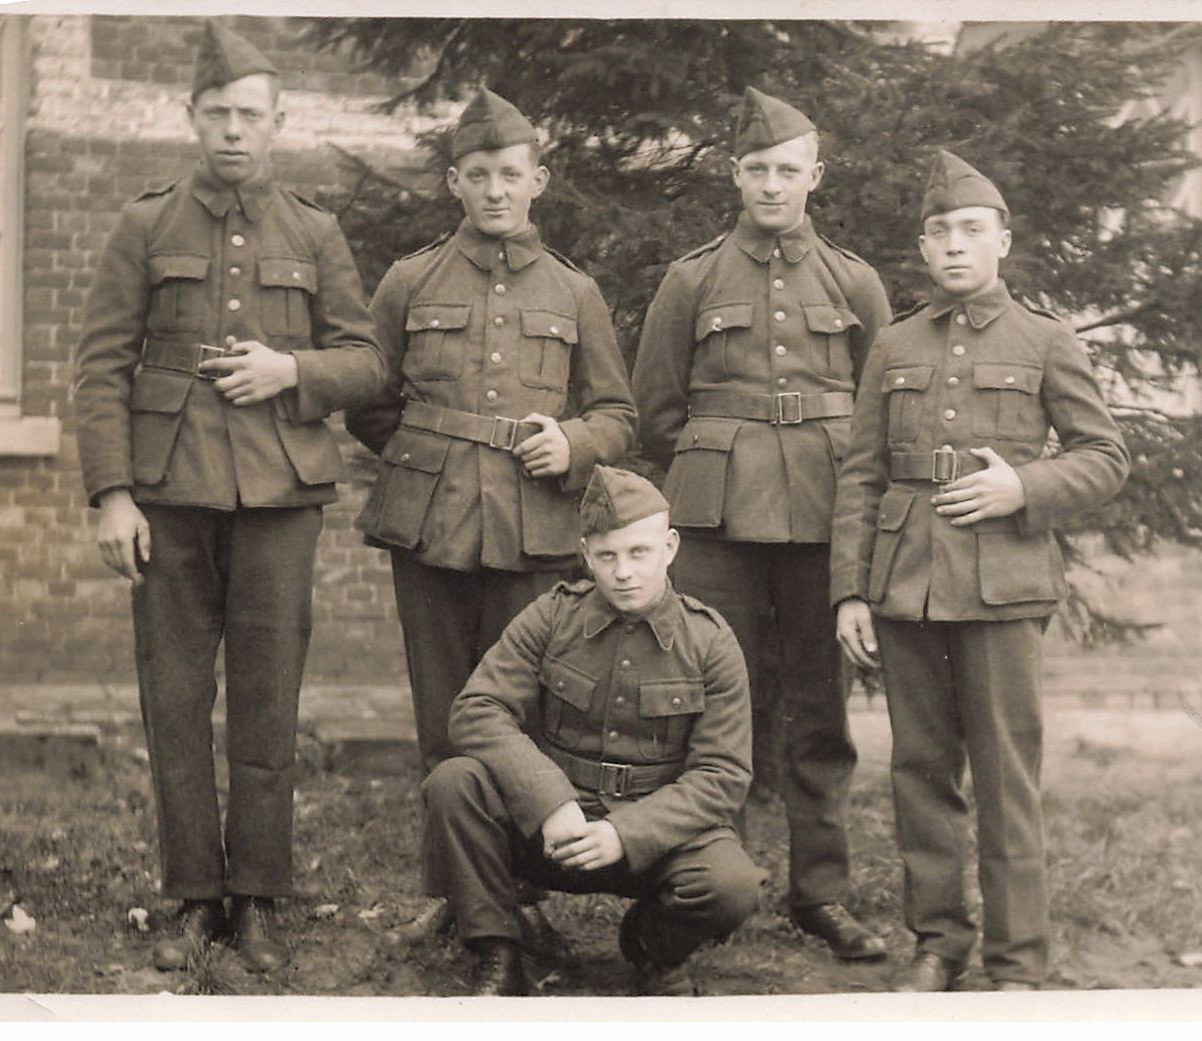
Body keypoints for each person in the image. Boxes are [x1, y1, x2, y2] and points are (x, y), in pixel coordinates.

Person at [72, 20, 387, 974]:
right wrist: (111, 494)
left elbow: (368, 361)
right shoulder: (145, 225)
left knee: (266, 699)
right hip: (168, 494)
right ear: (192, 118)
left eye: (251, 116)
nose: (234, 132)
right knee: (173, 697)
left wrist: (291, 367)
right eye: (217, 115)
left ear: (276, 121)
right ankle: (191, 898)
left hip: (281, 497)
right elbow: (100, 368)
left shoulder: (315, 231)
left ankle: (256, 896)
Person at [831, 150, 1130, 991]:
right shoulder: (892, 343)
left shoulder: (1045, 339)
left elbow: (1105, 457)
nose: (954, 246)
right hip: (905, 586)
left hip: (1002, 588)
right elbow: (860, 474)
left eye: (970, 230)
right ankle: (938, 941)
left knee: (1005, 780)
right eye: (938, 233)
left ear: (1002, 239)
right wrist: (850, 590)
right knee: (920, 774)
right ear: (923, 250)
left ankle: (1017, 961)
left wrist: (1020, 486)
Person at [631, 86, 892, 962]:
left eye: (788, 170)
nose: (772, 185)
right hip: (716, 527)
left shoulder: (854, 280)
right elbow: (657, 411)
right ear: (731, 173)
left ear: (815, 176)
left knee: (819, 713)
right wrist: (728, 464)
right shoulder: (692, 277)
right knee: (713, 708)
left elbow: (878, 411)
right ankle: (716, 880)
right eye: (756, 170)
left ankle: (821, 892)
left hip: (821, 522)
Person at [346, 88, 636, 776]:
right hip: (428, 524)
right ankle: (457, 871)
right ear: (454, 183)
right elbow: (367, 398)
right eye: (477, 175)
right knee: (440, 705)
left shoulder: (573, 292)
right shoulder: (408, 279)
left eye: (510, 174)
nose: (495, 191)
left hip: (533, 521)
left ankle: (524, 869)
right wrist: (428, 460)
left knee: (524, 702)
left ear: (537, 180)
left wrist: (573, 445)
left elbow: (618, 415)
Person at [423, 466, 764, 996]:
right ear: (586, 554)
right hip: (555, 828)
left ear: (669, 547)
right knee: (455, 783)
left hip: (657, 836)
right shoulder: (552, 616)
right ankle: (499, 952)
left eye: (638, 553)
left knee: (731, 884)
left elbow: (721, 775)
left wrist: (627, 834)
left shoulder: (711, 642)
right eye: (607, 556)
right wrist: (549, 800)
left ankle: (652, 950)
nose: (623, 572)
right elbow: (477, 707)